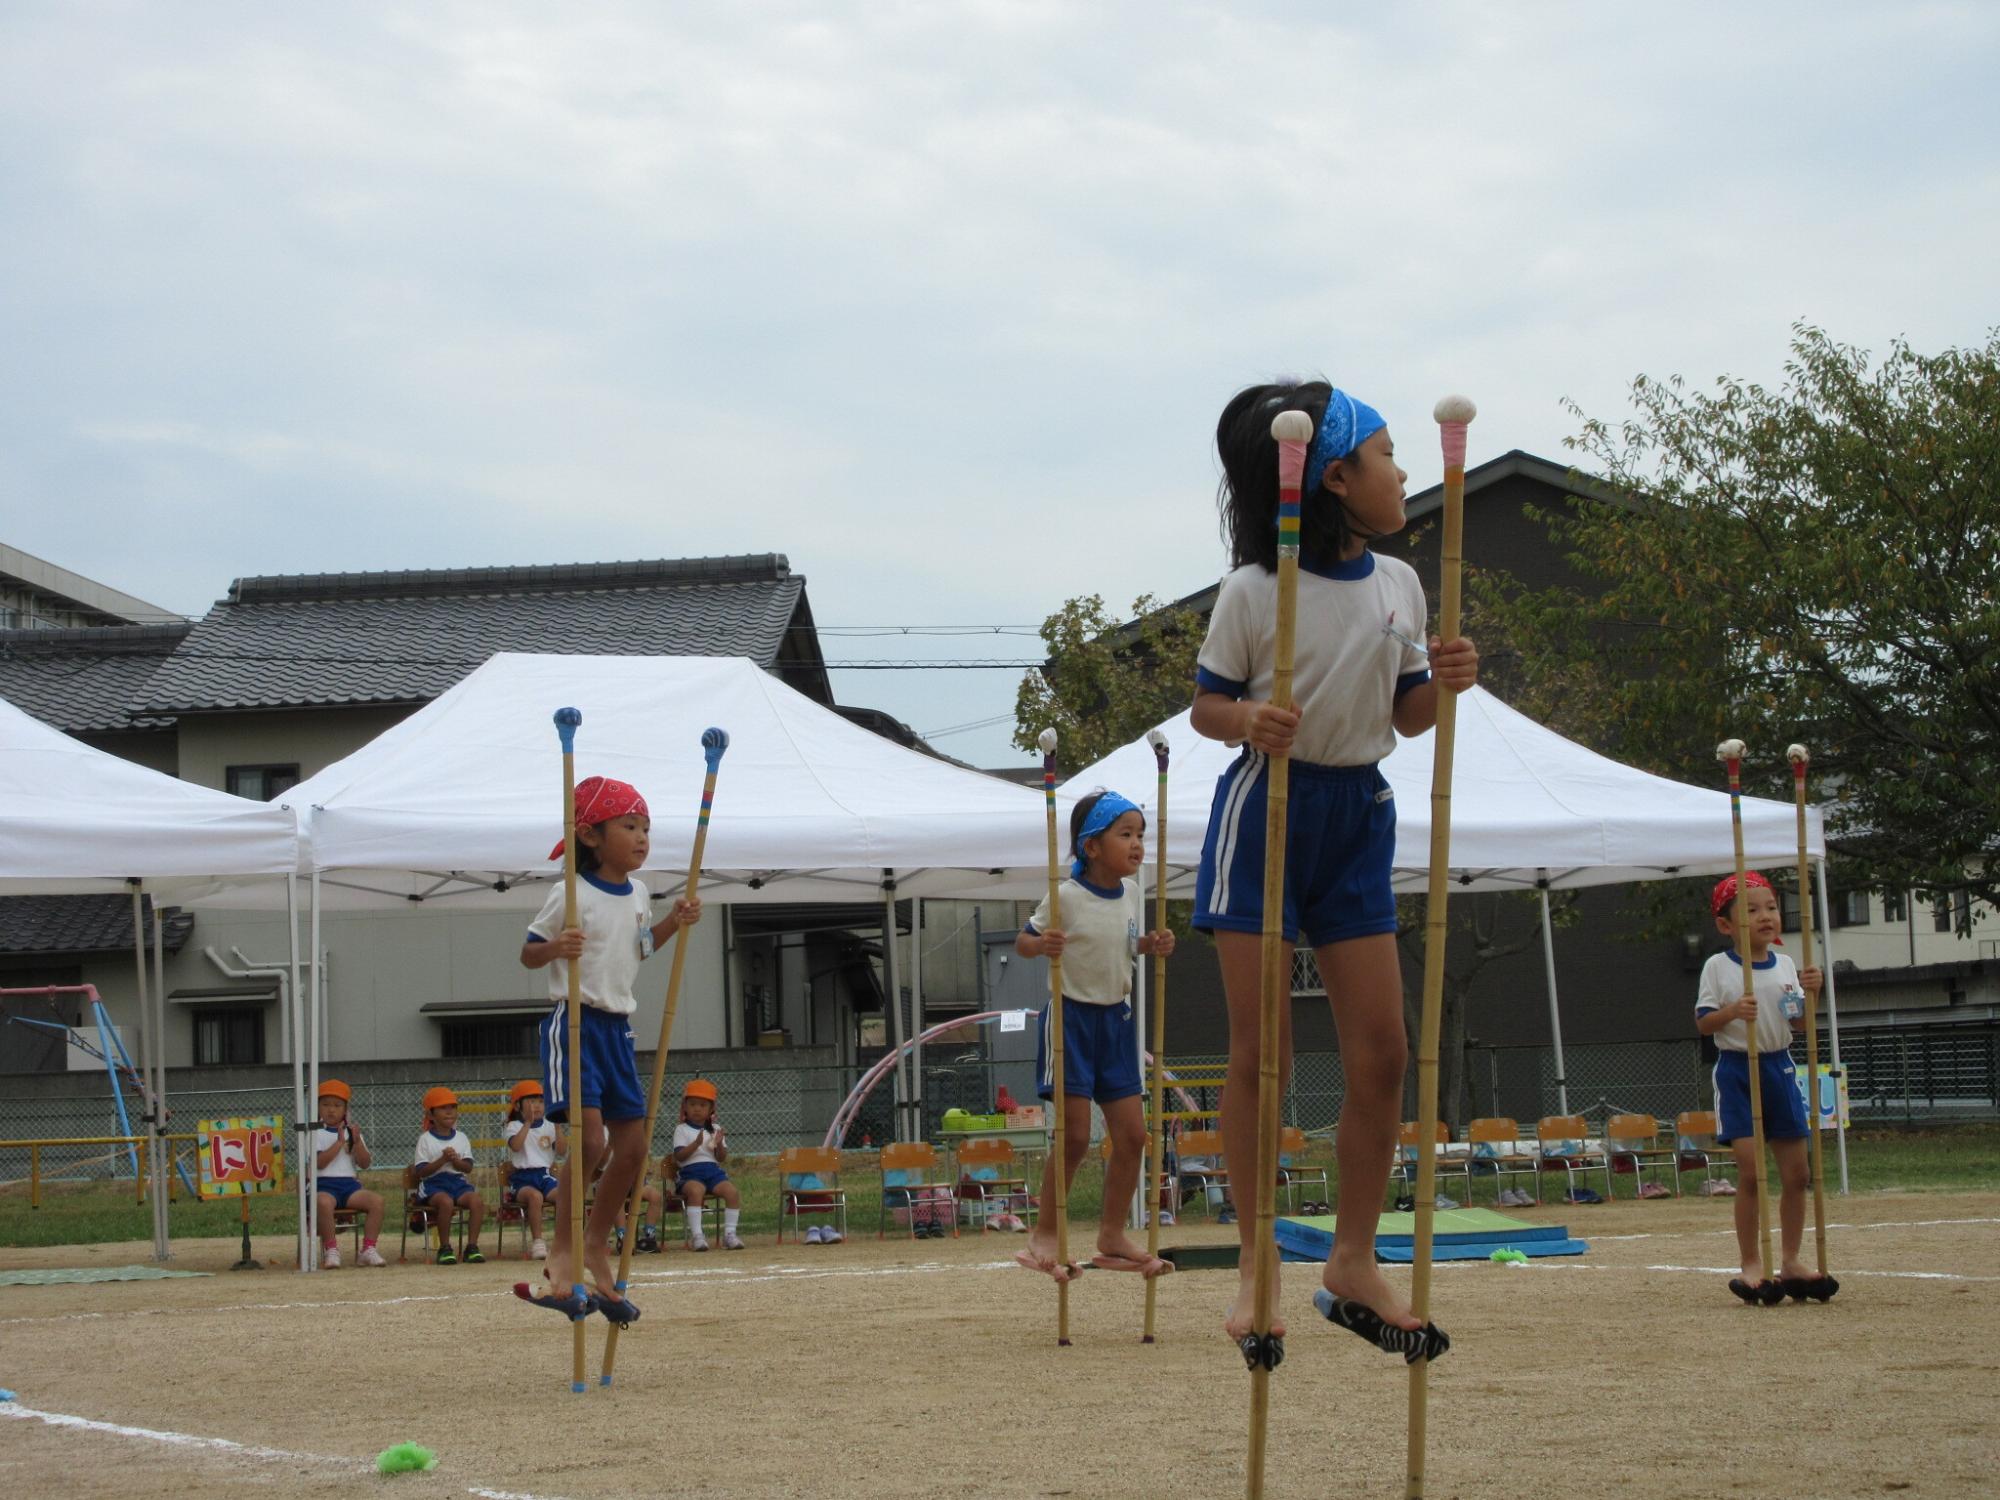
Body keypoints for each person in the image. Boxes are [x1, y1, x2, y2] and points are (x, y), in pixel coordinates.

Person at [1191, 381, 1475, 1362]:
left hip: (1357, 814)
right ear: (1336, 476)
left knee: (1385, 1052)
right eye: (1387, 454)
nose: (1402, 473)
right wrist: (1245, 720)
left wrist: (1442, 684)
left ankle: (1351, 1259)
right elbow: (1206, 708)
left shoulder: (1399, 581)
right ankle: (1253, 1267)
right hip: (1263, 810)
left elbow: (1402, 716)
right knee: (1260, 1054)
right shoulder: (1251, 588)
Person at [514, 775, 702, 1324]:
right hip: (573, 1023)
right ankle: (562, 1252)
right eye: (629, 826)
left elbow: (639, 949)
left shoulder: (640, 894)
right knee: (589, 1140)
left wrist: (673, 921)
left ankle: (595, 1240)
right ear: (592, 836)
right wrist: (557, 946)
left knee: (636, 1147)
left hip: (618, 1028)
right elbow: (529, 954)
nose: (642, 837)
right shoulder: (570, 892)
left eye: (645, 828)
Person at [1014, 789, 1177, 1281]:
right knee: (1077, 1135)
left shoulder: (1132, 893)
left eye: (1141, 835)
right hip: (1072, 1021)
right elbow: (1023, 941)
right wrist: (1043, 944)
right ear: (1090, 846)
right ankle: (1044, 1231)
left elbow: (1125, 946)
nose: (1137, 845)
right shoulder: (1065, 895)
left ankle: (1111, 1235)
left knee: (1133, 1136)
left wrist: (1150, 945)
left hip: (1118, 1024)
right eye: (1125, 834)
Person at [1695, 871, 1826, 1300]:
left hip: (1779, 1066)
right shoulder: (1718, 966)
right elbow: (1703, 1023)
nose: (1765, 916)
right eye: (1751, 910)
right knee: (1752, 1172)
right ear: (1726, 924)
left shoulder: (1787, 965)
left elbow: (1800, 1024)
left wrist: (1813, 995)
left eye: (1770, 907)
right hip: (1736, 1069)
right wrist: (1733, 1010)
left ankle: (1791, 1259)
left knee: (1798, 1172)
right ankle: (1751, 1261)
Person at [312, 1079, 386, 1267]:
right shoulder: (315, 1132)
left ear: (345, 1109)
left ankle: (368, 1248)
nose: (331, 1110)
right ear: (318, 1107)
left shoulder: (352, 1132)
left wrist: (357, 1142)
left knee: (377, 1201)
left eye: (337, 1106)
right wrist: (338, 1144)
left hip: (349, 1185)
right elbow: (319, 1163)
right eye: (326, 1105)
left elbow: (365, 1163)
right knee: (323, 1202)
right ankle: (331, 1249)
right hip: (324, 1185)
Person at [412, 1086, 486, 1264]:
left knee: (476, 1201)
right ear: (431, 1115)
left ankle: (472, 1247)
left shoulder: (461, 1137)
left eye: (452, 1107)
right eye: (443, 1108)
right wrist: (442, 1159)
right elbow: (421, 1171)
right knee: (445, 1202)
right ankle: (445, 1248)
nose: (449, 1112)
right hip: (433, 1184)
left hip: (457, 1181)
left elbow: (467, 1168)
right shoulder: (426, 1139)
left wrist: (455, 1161)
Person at [670, 1079, 745, 1251]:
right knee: (696, 1191)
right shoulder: (681, 1129)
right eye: (693, 1104)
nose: (697, 1109)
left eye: (702, 1105)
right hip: (690, 1172)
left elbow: (721, 1158)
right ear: (685, 1107)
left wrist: (719, 1144)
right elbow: (679, 1156)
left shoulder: (715, 1128)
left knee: (732, 1193)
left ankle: (730, 1234)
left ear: (711, 1109)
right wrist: (695, 1144)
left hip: (713, 1171)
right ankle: (697, 1236)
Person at [503, 1079, 564, 1261]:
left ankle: (563, 1241)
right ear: (518, 1106)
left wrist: (558, 1127)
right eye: (530, 1101)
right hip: (522, 1178)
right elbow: (515, 1146)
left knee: (563, 1195)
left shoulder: (549, 1125)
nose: (536, 1106)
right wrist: (527, 1124)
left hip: (545, 1174)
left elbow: (561, 1151)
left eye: (540, 1101)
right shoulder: (513, 1126)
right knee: (535, 1197)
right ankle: (538, 1241)